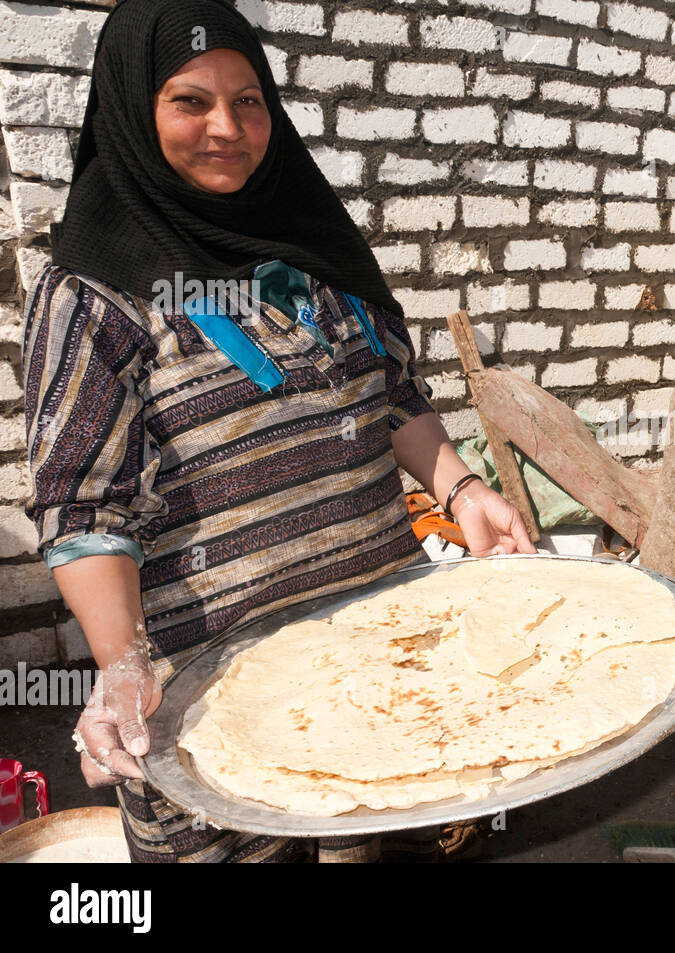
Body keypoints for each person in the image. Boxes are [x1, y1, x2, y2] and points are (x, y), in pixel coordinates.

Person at [21, 0, 535, 862]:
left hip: (386, 664)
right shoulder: (94, 295)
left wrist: (461, 486)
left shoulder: (312, 243)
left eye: (249, 100)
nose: (227, 127)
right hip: (207, 701)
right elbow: (81, 511)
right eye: (190, 102)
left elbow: (392, 394)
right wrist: (121, 664)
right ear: (134, 112)